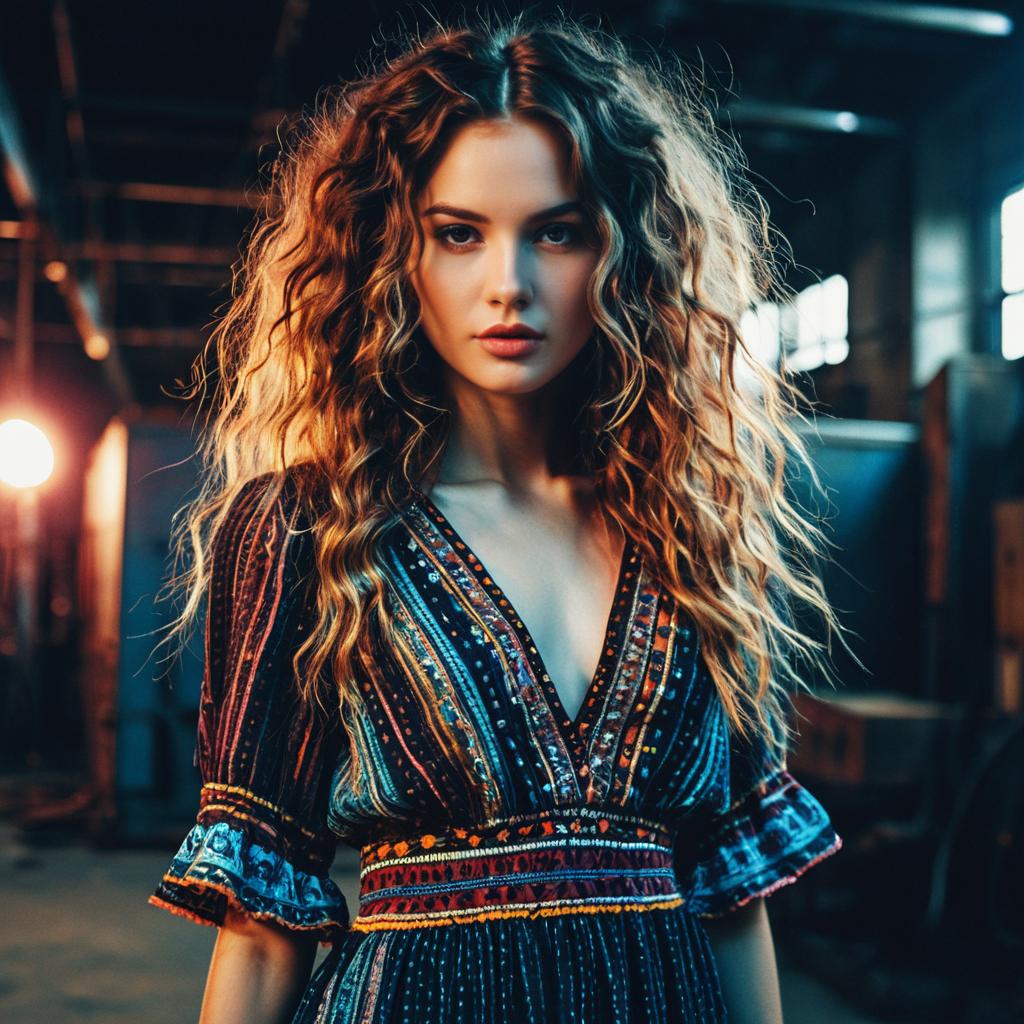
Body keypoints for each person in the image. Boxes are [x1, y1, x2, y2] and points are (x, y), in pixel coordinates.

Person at [149, 11, 848, 1023]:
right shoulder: (307, 526)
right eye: (458, 234)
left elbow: (733, 903)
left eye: (556, 231)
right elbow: (262, 927)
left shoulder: (694, 532)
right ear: (391, 251)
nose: (508, 286)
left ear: (622, 254)